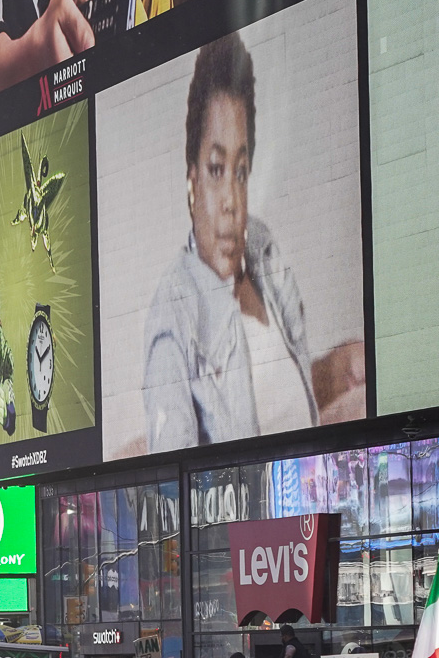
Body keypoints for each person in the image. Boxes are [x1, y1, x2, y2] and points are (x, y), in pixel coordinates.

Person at [143, 35, 361, 452]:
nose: (231, 201)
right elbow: (170, 488)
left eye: (240, 171)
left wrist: (334, 371)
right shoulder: (173, 321)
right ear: (192, 181)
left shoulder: (261, 249)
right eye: (216, 168)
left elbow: (280, 404)